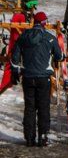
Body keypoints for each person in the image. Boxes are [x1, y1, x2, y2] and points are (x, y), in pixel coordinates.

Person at [10, 12, 64, 147]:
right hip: (43, 77)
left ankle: (29, 138)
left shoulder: (23, 36)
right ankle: (43, 137)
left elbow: (14, 57)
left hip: (28, 76)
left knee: (30, 107)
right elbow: (59, 56)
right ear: (44, 23)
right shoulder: (49, 37)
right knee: (43, 107)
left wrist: (15, 72)